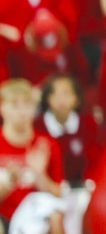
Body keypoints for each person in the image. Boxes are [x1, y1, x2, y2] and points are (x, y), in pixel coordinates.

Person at [0, 78, 65, 234]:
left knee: (56, 218)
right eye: (14, 105)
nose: (21, 111)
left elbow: (59, 193)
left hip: (37, 215)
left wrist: (39, 175)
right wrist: (8, 182)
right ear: (2, 108)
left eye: (27, 104)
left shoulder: (46, 144)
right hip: (4, 215)